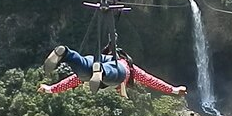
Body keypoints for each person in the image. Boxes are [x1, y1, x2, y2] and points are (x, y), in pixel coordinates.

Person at [38, 45, 187, 97]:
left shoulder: (102, 58)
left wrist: (51, 89)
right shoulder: (127, 66)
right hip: (112, 69)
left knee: (82, 69)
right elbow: (151, 80)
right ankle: (101, 71)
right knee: (114, 75)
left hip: (95, 60)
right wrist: (173, 90)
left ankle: (66, 54)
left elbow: (70, 81)